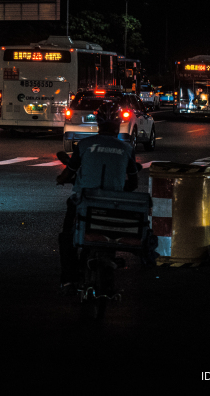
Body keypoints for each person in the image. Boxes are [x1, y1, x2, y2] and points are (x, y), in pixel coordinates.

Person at [56, 112, 141, 291]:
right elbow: (133, 183)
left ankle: (69, 279)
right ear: (117, 128)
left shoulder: (84, 144)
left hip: (84, 200)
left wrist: (61, 178)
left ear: (98, 127)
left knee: (66, 237)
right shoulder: (126, 148)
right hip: (114, 203)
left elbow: (70, 171)